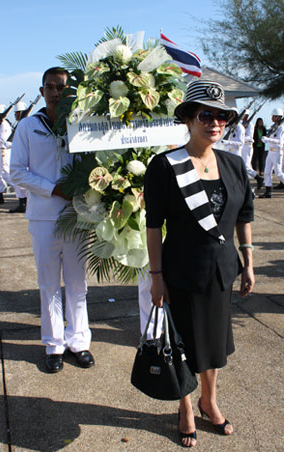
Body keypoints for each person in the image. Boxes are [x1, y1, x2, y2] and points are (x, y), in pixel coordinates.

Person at [144, 80, 254, 448]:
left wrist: (248, 261)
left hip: (222, 270)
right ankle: (186, 406)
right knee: (184, 343)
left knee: (213, 344)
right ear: (189, 119)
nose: (215, 123)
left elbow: (245, 216)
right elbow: (153, 225)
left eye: (222, 116)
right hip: (181, 271)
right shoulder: (164, 166)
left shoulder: (235, 164)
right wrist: (156, 276)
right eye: (206, 115)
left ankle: (210, 400)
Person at [10, 67, 94, 373]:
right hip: (44, 216)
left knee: (77, 283)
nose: (56, 92)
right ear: (42, 90)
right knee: (48, 283)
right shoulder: (29, 127)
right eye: (50, 87)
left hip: (77, 216)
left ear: (70, 91)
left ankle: (80, 341)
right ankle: (54, 344)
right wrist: (53, 189)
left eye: (62, 87)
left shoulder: (81, 124)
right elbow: (16, 170)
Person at [259, 108, 284, 198]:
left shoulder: (281, 128)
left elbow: (280, 141)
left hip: (277, 151)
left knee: (278, 173)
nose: (272, 118)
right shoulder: (274, 126)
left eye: (273, 116)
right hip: (271, 151)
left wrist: (268, 139)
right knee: (267, 172)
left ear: (278, 117)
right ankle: (268, 191)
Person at [8, 101, 28, 213]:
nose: (15, 115)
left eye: (17, 113)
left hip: (23, 155)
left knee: (21, 181)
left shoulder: (25, 124)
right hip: (17, 153)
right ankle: (22, 202)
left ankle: (24, 202)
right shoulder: (21, 123)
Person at [0, 104, 13, 204]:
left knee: (5, 173)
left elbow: (3, 139)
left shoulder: (4, 125)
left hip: (3, 151)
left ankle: (24, 192)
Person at [241, 110, 264, 189]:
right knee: (241, 165)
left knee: (246, 166)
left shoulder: (250, 124)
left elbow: (250, 137)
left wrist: (240, 138)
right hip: (242, 146)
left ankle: (258, 178)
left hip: (247, 146)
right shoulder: (241, 124)